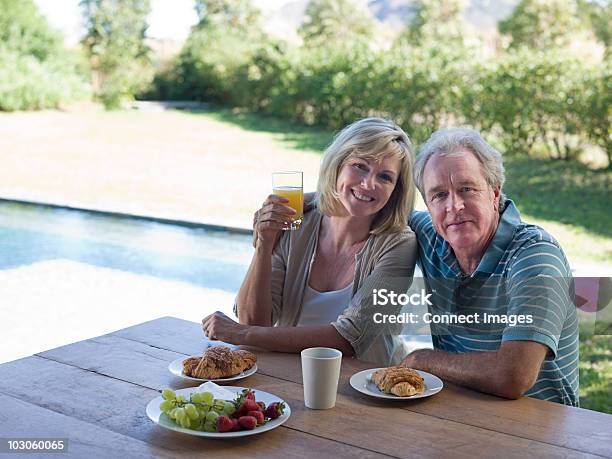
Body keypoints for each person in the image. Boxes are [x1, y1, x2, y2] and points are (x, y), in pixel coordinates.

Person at [202, 117, 418, 365]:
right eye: (359, 166)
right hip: (288, 374)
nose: (369, 183)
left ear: (395, 191)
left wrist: (241, 333)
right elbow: (254, 322)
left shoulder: (398, 244)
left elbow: (349, 338)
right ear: (337, 165)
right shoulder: (297, 222)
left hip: (365, 385)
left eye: (385, 177)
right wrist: (263, 244)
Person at [403, 128, 579, 405]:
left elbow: (513, 375)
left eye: (467, 189)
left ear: (495, 193)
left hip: (539, 435)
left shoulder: (535, 256)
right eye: (438, 195)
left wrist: (420, 360)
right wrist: (313, 201)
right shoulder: (431, 235)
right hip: (457, 419)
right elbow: (367, 206)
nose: (454, 206)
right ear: (428, 203)